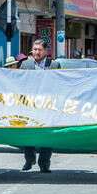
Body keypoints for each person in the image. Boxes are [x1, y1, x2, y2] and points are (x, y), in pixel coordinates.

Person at [20, 39, 61, 173]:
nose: (36, 52)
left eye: (39, 50)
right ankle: (29, 159)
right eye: (35, 49)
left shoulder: (54, 65)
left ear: (46, 51)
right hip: (29, 106)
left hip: (48, 107)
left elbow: (60, 84)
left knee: (47, 134)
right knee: (28, 132)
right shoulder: (25, 64)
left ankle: (44, 163)